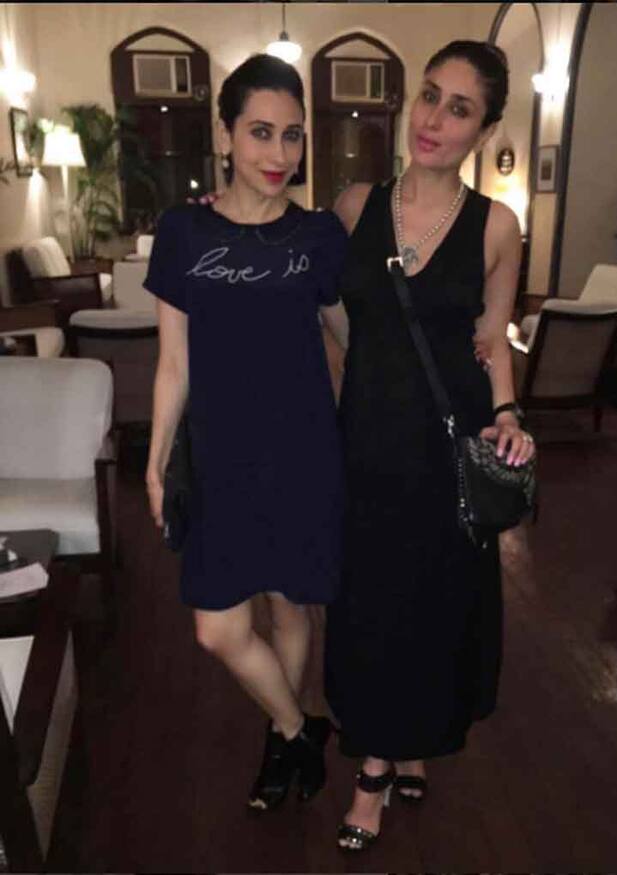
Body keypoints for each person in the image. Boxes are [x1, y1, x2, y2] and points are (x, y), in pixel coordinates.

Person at [323, 41, 536, 851]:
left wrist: (508, 413)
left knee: (429, 606)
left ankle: (375, 769)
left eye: (460, 108)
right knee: (371, 604)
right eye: (429, 95)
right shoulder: (354, 207)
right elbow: (332, 313)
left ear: (485, 129)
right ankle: (398, 745)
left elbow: (491, 338)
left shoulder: (497, 226)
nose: (434, 119)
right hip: (367, 439)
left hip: (446, 448)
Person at [144, 54, 351, 813]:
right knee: (218, 628)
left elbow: (355, 337)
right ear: (225, 133)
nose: (278, 153)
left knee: (292, 607)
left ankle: (278, 747)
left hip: (303, 454)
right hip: (220, 459)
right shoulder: (183, 231)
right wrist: (157, 462)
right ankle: (298, 728)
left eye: (292, 135)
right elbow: (173, 362)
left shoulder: (319, 236)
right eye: (261, 132)